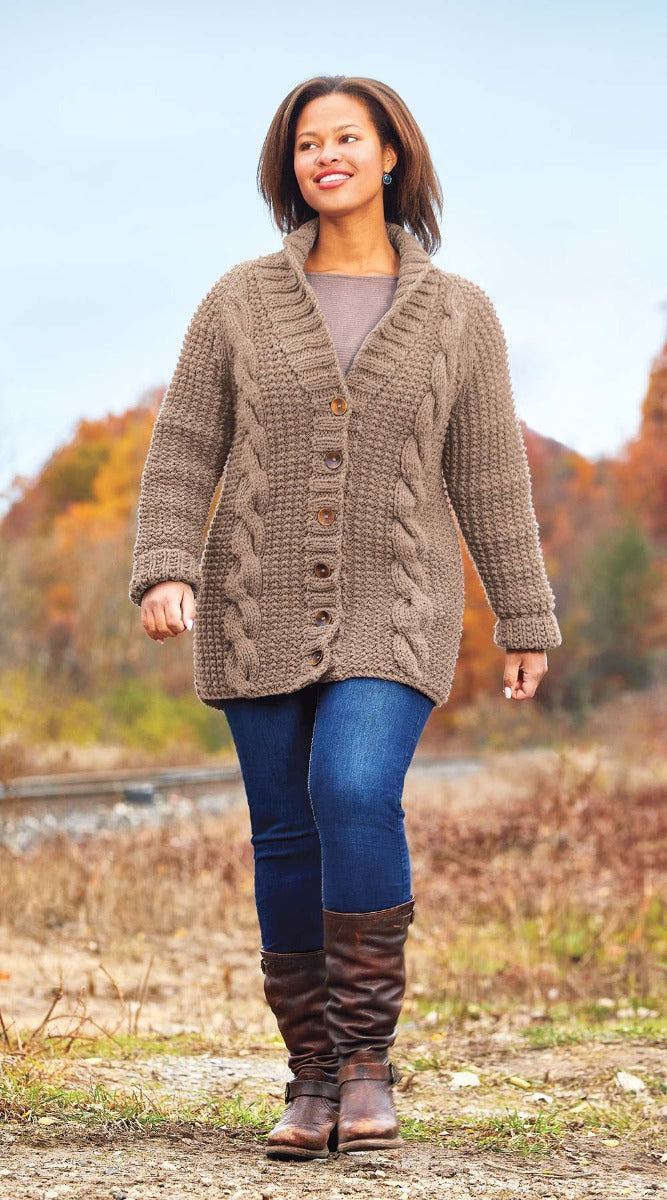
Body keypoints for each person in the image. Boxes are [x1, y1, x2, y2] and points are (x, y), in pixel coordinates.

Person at [129, 74, 562, 1161]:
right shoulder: (237, 300)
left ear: (389, 155)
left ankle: (367, 1064)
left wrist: (524, 614)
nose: (325, 156)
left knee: (354, 790)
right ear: (290, 168)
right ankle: (311, 1077)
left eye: (346, 138)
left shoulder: (459, 312)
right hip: (256, 600)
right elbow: (184, 448)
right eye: (306, 143)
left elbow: (488, 476)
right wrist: (164, 568)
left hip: (395, 601)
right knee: (284, 832)